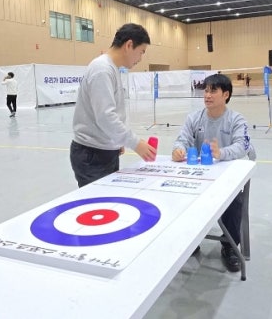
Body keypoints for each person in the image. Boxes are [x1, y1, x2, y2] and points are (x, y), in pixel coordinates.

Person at [171, 73, 255, 273]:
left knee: (234, 202)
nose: (207, 95)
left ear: (226, 95)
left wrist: (221, 153)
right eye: (206, 91)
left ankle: (230, 245)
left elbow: (243, 145)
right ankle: (191, 240)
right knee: (181, 195)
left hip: (227, 178)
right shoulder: (194, 118)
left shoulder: (236, 119)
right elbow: (182, 139)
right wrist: (178, 149)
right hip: (201, 177)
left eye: (213, 91)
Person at [70, 23, 157, 188]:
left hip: (104, 150)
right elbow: (105, 116)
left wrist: (116, 141)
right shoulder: (102, 70)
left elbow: (113, 112)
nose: (140, 58)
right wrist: (136, 143)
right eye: (141, 52)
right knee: (99, 201)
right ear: (129, 45)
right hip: (92, 155)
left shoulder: (111, 68)